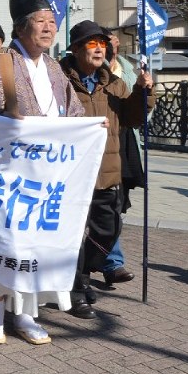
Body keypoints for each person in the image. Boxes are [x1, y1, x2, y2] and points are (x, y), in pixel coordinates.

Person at [0, 0, 84, 346]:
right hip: (6, 172)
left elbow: (74, 114)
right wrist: (2, 120)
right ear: (20, 27)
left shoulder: (55, 68)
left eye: (52, 21)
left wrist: (89, 130)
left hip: (47, 174)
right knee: (7, 242)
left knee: (38, 244)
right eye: (40, 21)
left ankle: (26, 313)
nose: (49, 28)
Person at [59, 21, 154, 317]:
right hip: (71, 174)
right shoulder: (58, 80)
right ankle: (75, 291)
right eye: (92, 43)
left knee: (108, 231)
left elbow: (132, 118)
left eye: (102, 43)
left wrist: (143, 92)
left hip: (107, 172)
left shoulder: (114, 83)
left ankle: (82, 274)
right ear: (76, 49)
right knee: (72, 236)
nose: (99, 48)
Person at [101, 28, 142, 286]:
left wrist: (144, 93)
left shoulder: (126, 70)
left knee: (114, 208)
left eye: (112, 41)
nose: (108, 45)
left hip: (123, 143)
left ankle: (112, 263)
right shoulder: (78, 75)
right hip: (92, 148)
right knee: (95, 211)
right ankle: (88, 268)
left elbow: (137, 112)